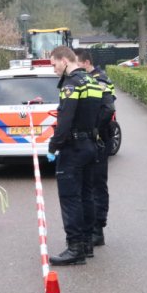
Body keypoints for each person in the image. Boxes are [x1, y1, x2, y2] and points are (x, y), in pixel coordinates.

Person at [47, 46, 103, 266]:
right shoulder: (92, 82)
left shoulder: (70, 84)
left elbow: (65, 119)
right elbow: (100, 113)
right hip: (91, 144)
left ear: (64, 60)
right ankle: (87, 244)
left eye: (53, 64)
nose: (53, 70)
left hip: (74, 148)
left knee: (70, 199)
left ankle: (75, 249)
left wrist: (54, 146)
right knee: (86, 196)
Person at [76, 49, 116, 248]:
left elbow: (108, 108)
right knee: (88, 184)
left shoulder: (99, 79)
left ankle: (98, 229)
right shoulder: (84, 79)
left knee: (97, 184)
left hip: (99, 138)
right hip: (92, 139)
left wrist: (93, 128)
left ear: (86, 63)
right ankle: (90, 227)